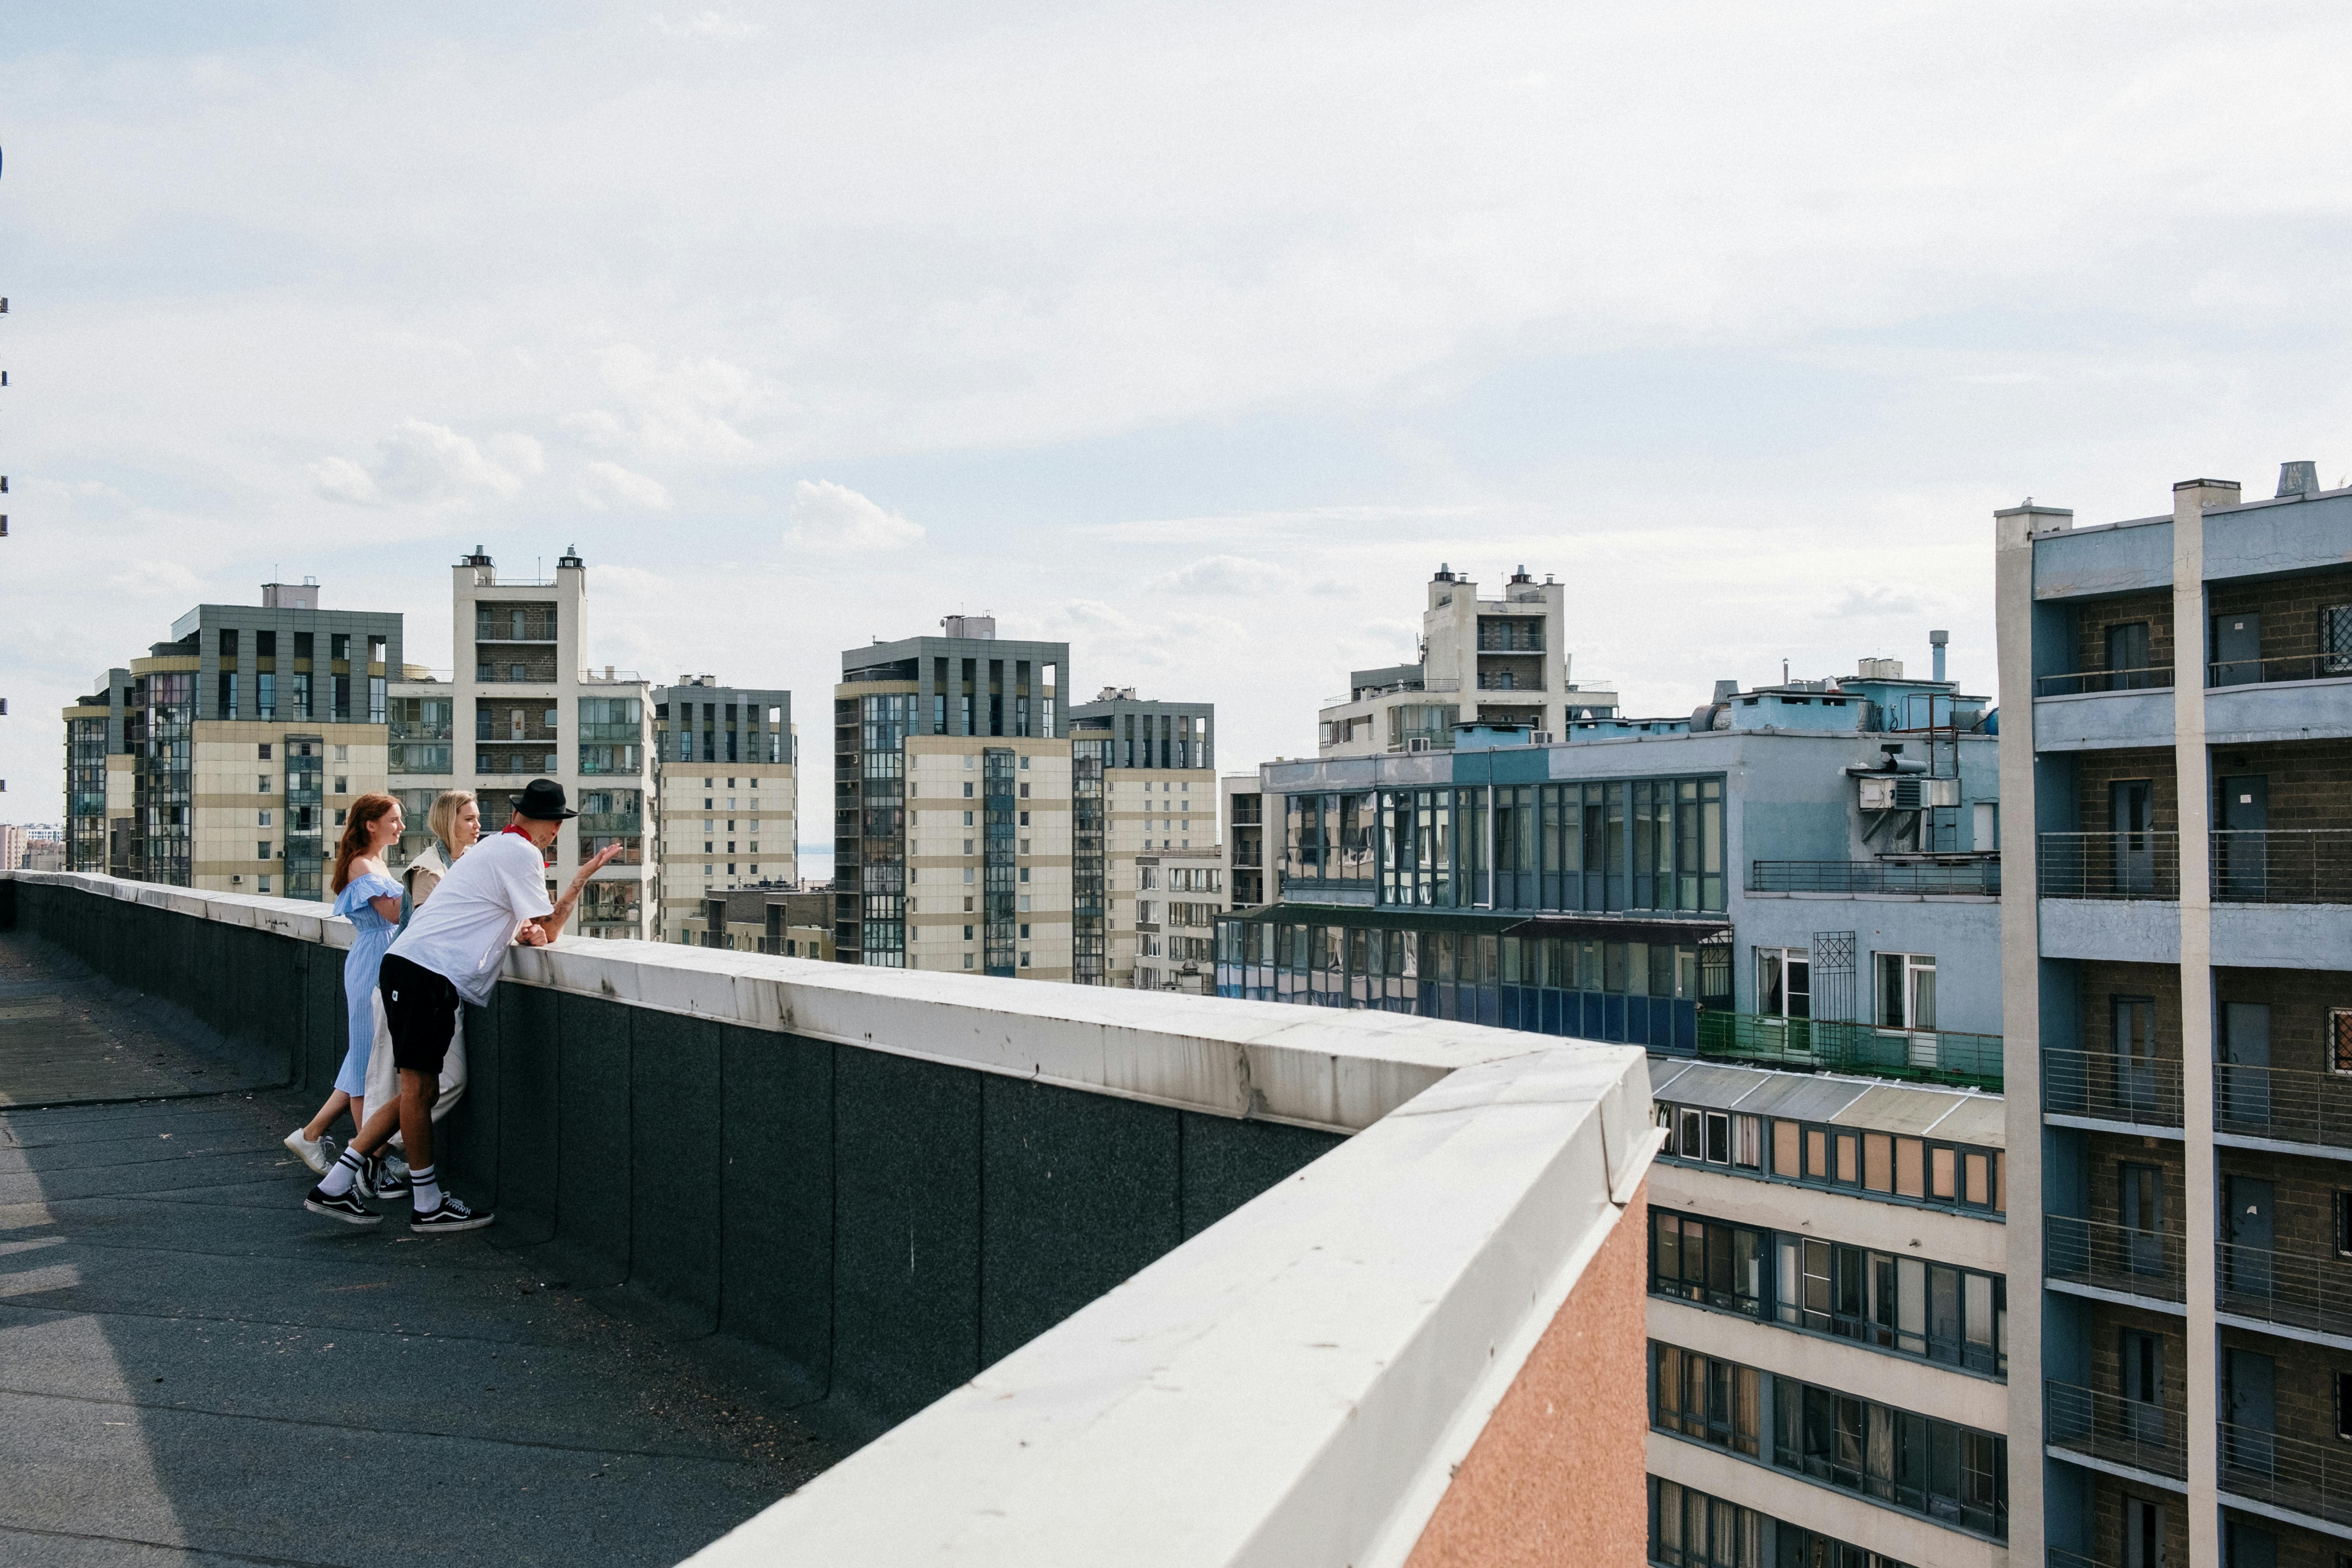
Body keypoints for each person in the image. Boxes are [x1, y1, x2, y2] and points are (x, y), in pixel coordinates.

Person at [303, 778, 622, 1232]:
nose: (555, 834)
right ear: (551, 825)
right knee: (419, 1092)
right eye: (557, 826)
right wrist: (579, 881)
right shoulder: (522, 853)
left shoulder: (492, 848)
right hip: (427, 974)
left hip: (410, 968)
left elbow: (522, 924)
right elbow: (548, 929)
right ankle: (427, 1203)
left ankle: (337, 1183)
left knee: (420, 1090)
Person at [282, 794, 405, 1175]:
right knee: (367, 1062)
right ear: (371, 824)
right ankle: (370, 1160)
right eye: (394, 820)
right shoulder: (361, 864)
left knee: (364, 1055)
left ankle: (313, 1135)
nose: (401, 827)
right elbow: (394, 913)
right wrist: (432, 887)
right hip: (373, 962)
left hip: (382, 957)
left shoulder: (375, 862)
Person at [364, 790, 480, 1145]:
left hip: (440, 987)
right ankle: (371, 1158)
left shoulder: (469, 862)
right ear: (448, 822)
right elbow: (434, 933)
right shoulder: (428, 868)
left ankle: (378, 1151)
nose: (478, 825)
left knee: (446, 1081)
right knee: (386, 1083)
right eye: (469, 819)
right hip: (409, 986)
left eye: (477, 818)